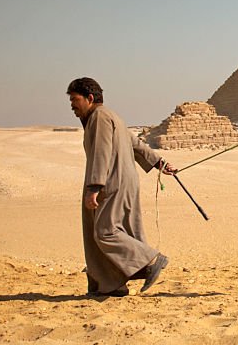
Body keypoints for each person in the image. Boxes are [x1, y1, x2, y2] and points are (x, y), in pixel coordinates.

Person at [67, 77, 173, 297]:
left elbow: (101, 152)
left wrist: (94, 186)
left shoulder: (100, 117)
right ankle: (110, 285)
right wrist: (159, 163)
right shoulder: (110, 116)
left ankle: (150, 260)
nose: (72, 105)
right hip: (121, 179)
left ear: (90, 98)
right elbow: (136, 144)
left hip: (110, 181)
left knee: (105, 232)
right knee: (101, 232)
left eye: (75, 99)